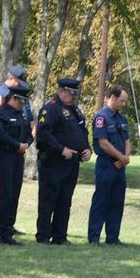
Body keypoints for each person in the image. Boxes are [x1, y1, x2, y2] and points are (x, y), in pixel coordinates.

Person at [35, 77, 91, 245]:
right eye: (70, 93)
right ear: (61, 91)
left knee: (65, 200)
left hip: (72, 162)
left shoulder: (75, 110)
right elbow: (43, 134)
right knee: (48, 199)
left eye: (75, 93)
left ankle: (60, 235)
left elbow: (83, 132)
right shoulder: (50, 109)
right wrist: (61, 149)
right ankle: (43, 235)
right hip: (53, 162)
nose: (73, 96)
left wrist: (87, 148)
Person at [0, 65, 34, 235]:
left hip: (18, 153)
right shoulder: (0, 97)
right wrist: (16, 145)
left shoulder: (20, 99)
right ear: (12, 79)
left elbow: (29, 124)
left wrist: (27, 143)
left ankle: (7, 226)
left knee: (13, 191)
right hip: (3, 152)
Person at [87, 85, 132, 245]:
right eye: (122, 101)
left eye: (125, 101)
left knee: (117, 201)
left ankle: (112, 237)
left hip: (120, 167)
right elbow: (103, 143)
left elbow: (127, 140)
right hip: (106, 165)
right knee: (101, 201)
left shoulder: (122, 119)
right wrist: (120, 157)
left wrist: (125, 158)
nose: (123, 104)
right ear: (112, 97)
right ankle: (94, 237)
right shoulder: (101, 117)